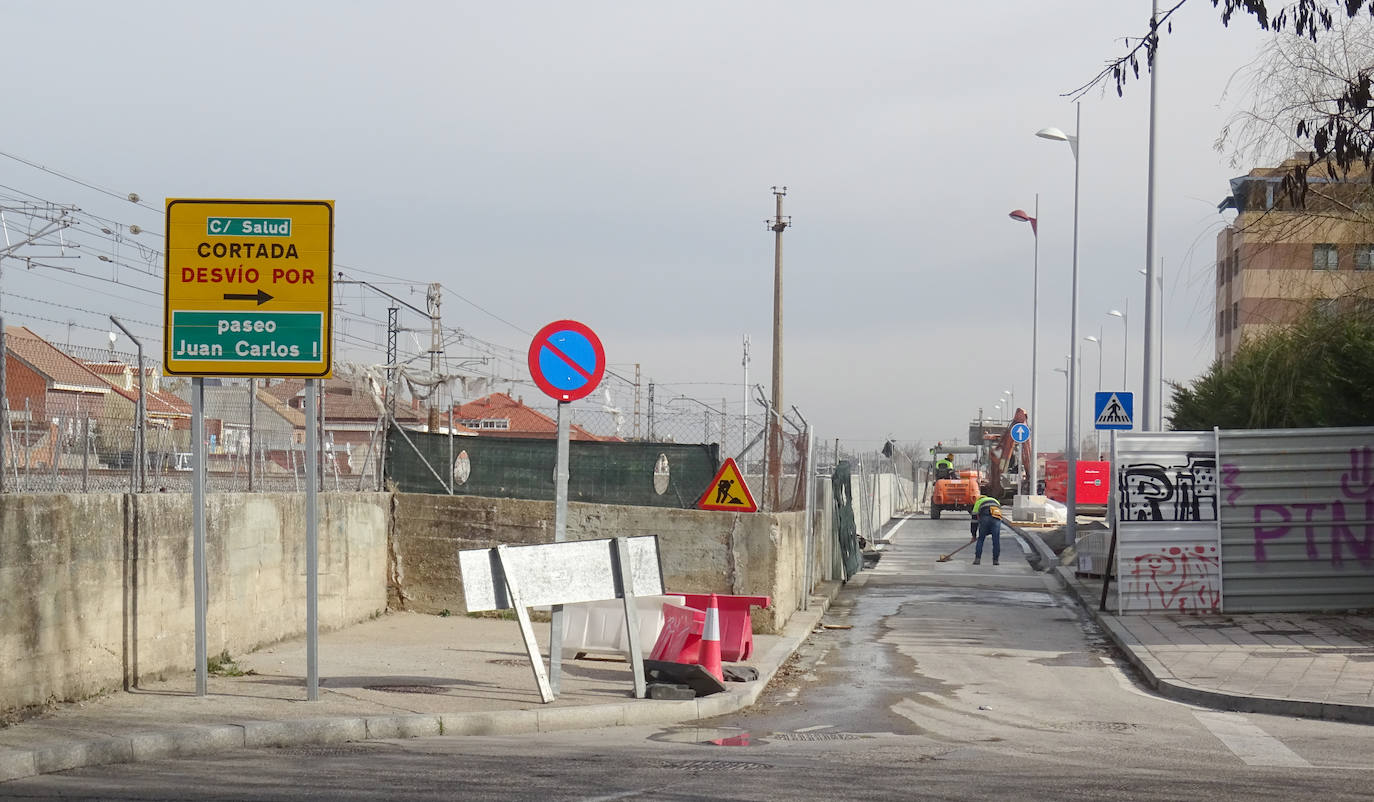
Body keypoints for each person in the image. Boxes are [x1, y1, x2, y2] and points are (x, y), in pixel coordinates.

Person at [970, 486, 1002, 565]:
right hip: (996, 518)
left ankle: (977, 559)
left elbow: (974, 521)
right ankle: (996, 560)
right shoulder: (995, 501)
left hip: (984, 518)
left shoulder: (978, 502)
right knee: (996, 540)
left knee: (981, 539)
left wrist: (974, 535)